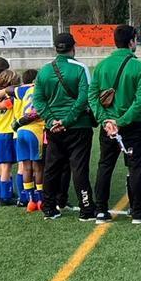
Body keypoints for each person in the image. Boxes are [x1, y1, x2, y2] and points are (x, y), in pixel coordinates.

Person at [90, 25, 141, 223]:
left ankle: (100, 210)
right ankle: (139, 212)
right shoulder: (139, 66)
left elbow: (92, 97)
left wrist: (105, 120)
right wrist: (121, 120)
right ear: (132, 41)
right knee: (136, 168)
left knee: (105, 166)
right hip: (133, 125)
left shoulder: (101, 66)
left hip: (108, 126)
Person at [34, 33, 96, 220]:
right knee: (79, 168)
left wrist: (52, 121)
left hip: (53, 129)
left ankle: (49, 208)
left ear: (56, 48)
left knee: (52, 168)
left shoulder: (44, 70)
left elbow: (38, 100)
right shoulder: (80, 68)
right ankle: (86, 210)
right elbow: (85, 97)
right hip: (78, 126)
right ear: (73, 46)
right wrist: (67, 120)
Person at [11, 70, 46, 212]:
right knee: (38, 167)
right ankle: (40, 200)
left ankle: (30, 200)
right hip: (35, 130)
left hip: (20, 131)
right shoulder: (41, 90)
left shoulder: (23, 90)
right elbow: (36, 112)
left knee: (26, 167)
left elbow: (8, 90)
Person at [0, 69, 21, 206]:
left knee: (0, 165)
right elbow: (1, 105)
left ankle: (0, 192)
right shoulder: (10, 97)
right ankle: (5, 196)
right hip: (5, 133)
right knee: (6, 166)